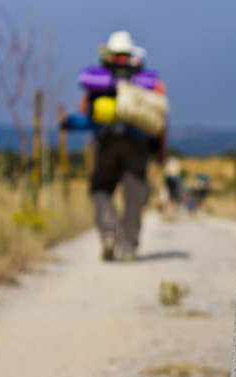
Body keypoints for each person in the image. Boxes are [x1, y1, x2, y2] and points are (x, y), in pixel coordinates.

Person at [78, 31, 168, 261]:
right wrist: (161, 151)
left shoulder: (100, 80)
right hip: (137, 146)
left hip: (107, 143)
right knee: (134, 196)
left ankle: (108, 232)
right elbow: (160, 117)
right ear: (131, 54)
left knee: (100, 189)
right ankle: (128, 245)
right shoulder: (146, 81)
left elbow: (83, 108)